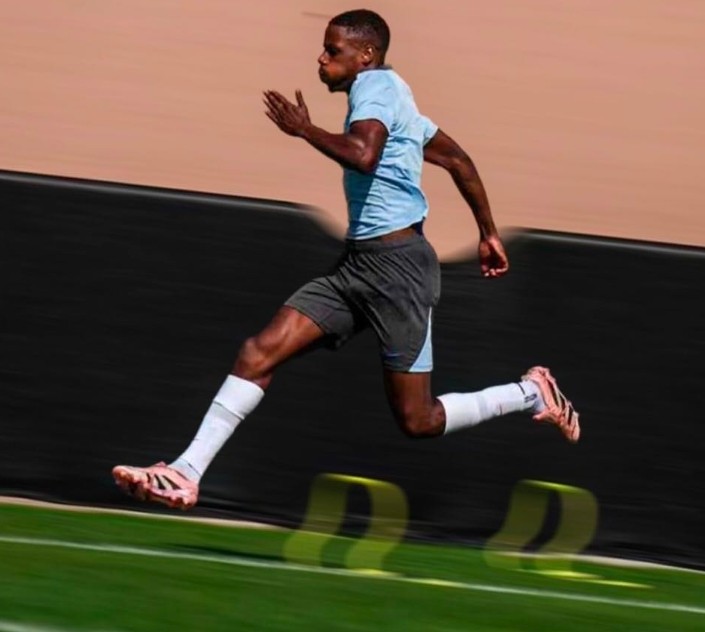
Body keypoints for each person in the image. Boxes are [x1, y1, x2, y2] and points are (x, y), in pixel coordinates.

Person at [113, 9, 580, 510]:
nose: (322, 58)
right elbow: (457, 160)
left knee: (418, 420)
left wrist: (305, 129)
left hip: (399, 272)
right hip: (358, 266)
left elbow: (363, 154)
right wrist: (487, 233)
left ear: (366, 55)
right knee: (258, 352)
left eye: (333, 50)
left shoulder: (375, 87)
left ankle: (531, 393)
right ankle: (185, 472)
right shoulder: (396, 95)